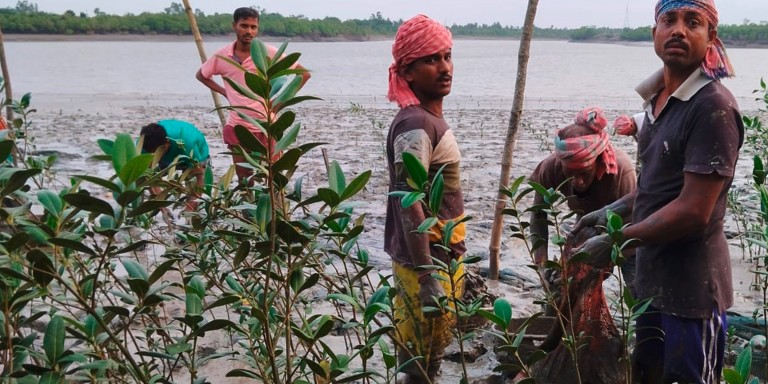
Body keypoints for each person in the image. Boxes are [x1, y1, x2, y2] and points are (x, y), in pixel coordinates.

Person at [571, 1, 742, 382]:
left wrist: (616, 241)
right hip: (651, 283)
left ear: (710, 37)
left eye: (692, 22)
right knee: (647, 373)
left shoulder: (713, 108)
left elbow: (694, 209)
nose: (678, 30)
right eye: (669, 20)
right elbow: (657, 187)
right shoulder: (656, 102)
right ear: (654, 33)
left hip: (693, 292)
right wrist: (611, 209)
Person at [384, 14, 464, 384]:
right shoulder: (415, 123)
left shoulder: (427, 119)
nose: (444, 67)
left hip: (441, 257)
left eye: (447, 56)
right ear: (409, 72)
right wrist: (428, 275)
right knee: (417, 363)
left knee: (430, 357)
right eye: (432, 59)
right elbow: (407, 199)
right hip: (426, 265)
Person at [196, 7, 310, 183]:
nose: (249, 31)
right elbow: (202, 75)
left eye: (253, 27)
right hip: (238, 126)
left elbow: (304, 74)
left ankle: (275, 210)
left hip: (267, 125)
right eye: (244, 26)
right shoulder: (222, 56)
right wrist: (225, 92)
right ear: (234, 26)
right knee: (244, 179)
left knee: (274, 179)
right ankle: (246, 212)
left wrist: (279, 103)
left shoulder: (269, 53)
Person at [529, 106, 637, 283]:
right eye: (569, 173)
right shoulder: (550, 169)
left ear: (598, 161)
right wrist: (542, 263)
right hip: (585, 225)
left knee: (636, 289)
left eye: (585, 173)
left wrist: (605, 256)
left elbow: (634, 224)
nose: (577, 182)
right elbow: (538, 215)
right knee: (563, 286)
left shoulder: (621, 171)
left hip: (626, 233)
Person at [140, 119, 210, 212]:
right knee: (146, 175)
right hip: (166, 157)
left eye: (156, 154)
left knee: (192, 184)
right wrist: (162, 206)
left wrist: (189, 208)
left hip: (193, 152)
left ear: (167, 143)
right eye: (151, 154)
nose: (154, 157)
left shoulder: (187, 144)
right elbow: (149, 178)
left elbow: (199, 178)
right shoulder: (144, 144)